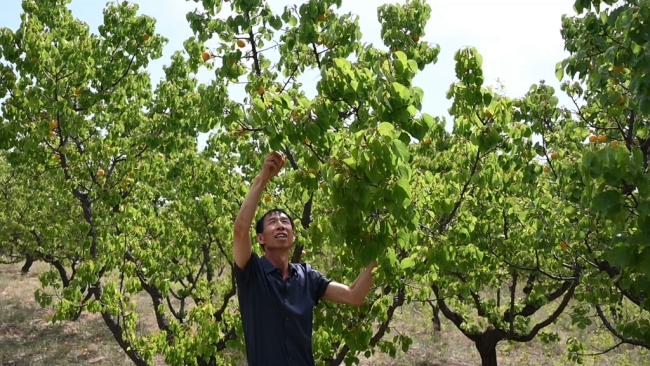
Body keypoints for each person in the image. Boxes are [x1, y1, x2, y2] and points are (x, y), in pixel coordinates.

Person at [233, 151, 377, 366]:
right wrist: (262, 178)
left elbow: (354, 296)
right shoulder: (252, 272)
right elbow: (240, 230)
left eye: (285, 222)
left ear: (293, 235)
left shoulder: (307, 276)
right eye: (273, 222)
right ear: (260, 238)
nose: (280, 225)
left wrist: (378, 252)